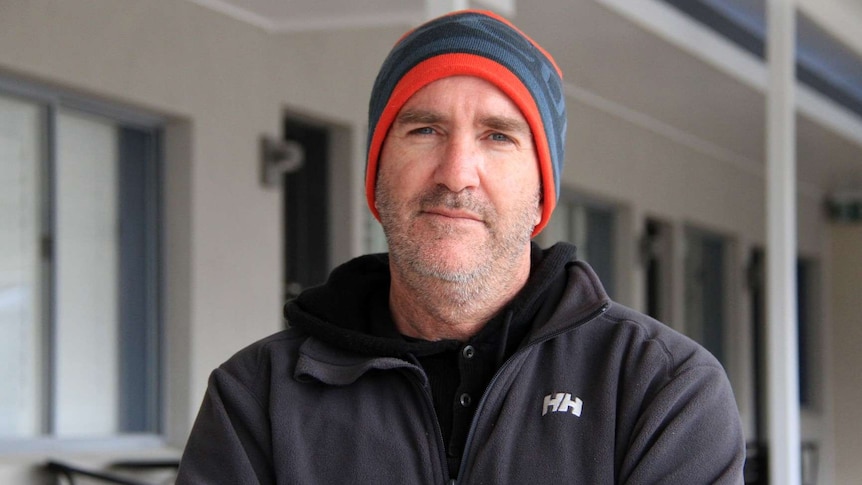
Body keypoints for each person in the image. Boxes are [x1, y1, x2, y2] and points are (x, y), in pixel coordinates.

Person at [177, 9, 745, 484]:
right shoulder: (257, 397)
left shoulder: (658, 388)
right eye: (424, 130)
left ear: (542, 188)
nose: (456, 174)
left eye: (498, 136)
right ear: (376, 176)